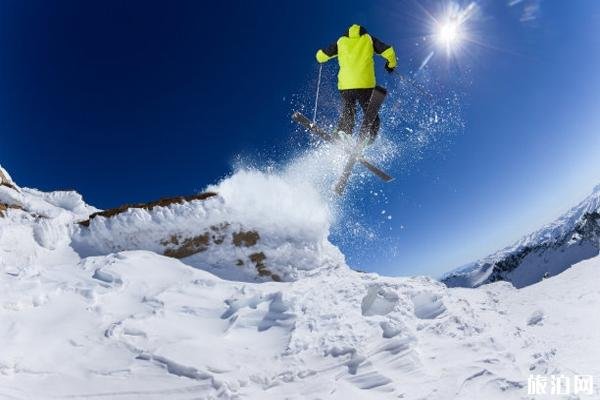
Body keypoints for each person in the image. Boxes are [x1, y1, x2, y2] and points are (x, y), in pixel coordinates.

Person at [316, 24, 397, 144]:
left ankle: (343, 133)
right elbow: (389, 51)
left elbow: (321, 56)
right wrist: (391, 65)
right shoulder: (368, 39)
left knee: (348, 111)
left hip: (346, 86)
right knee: (372, 115)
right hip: (365, 86)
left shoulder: (341, 41)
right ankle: (367, 138)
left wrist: (320, 57)